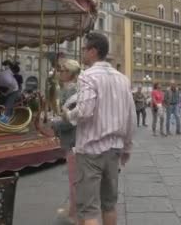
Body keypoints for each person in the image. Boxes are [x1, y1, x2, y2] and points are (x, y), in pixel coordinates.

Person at [63, 33, 135, 225]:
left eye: (84, 49)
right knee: (109, 205)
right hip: (114, 150)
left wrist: (67, 115)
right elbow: (131, 118)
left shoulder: (88, 76)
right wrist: (127, 147)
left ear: (93, 51)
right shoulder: (123, 79)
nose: (82, 53)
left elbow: (85, 111)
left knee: (89, 210)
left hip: (90, 150)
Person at [51, 59, 81, 224]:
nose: (59, 72)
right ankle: (73, 208)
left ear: (71, 73)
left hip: (74, 140)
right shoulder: (68, 90)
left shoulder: (74, 92)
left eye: (63, 70)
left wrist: (54, 123)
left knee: (74, 179)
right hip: (72, 140)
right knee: (74, 179)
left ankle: (75, 215)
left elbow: (71, 120)